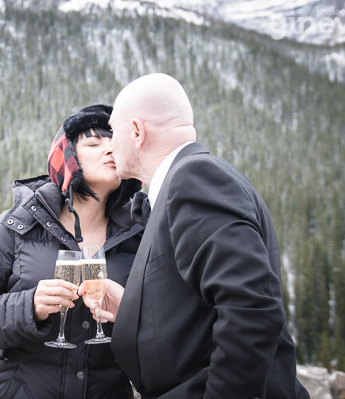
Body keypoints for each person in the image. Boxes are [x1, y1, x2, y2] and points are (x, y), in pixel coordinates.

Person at [79, 74, 310, 399]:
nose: (110, 144)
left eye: (113, 132)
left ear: (136, 132)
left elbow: (251, 308)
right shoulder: (183, 182)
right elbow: (198, 307)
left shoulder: (193, 179)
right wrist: (132, 310)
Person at [0, 104, 144, 399]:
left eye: (115, 143)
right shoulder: (19, 223)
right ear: (67, 157)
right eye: (94, 143)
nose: (110, 150)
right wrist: (28, 307)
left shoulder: (139, 233)